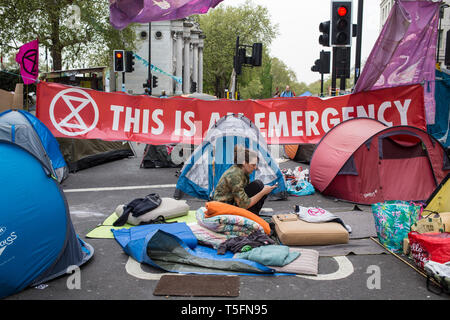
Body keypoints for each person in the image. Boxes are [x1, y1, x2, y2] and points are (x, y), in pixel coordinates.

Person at [212, 145, 277, 215]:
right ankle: (250, 217)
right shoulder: (234, 175)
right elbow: (244, 204)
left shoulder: (242, 172)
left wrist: (263, 191)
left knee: (259, 186)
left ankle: (253, 215)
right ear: (244, 163)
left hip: (230, 204)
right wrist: (262, 193)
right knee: (258, 186)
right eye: (253, 165)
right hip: (223, 210)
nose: (255, 168)